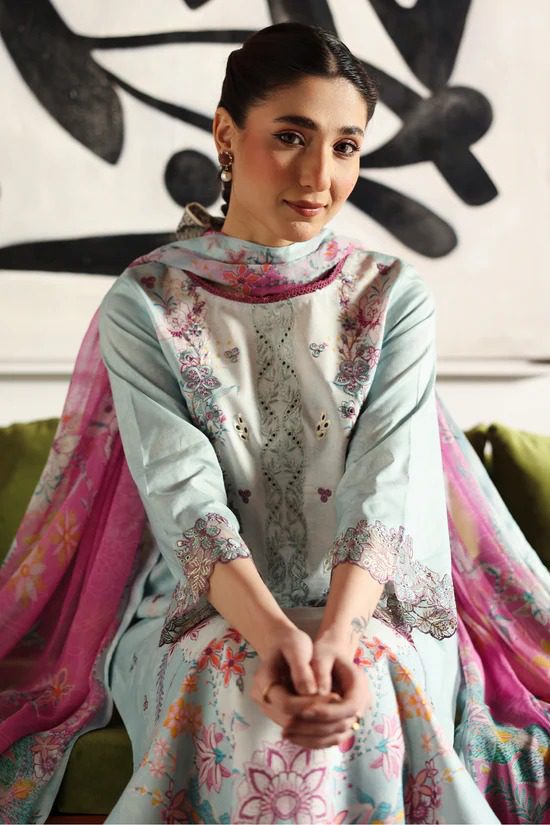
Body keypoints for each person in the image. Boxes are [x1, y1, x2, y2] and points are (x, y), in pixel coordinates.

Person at [0, 22, 548, 825]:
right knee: (237, 685)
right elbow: (184, 500)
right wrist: (274, 637)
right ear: (227, 133)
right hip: (201, 608)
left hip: (376, 604)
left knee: (366, 678)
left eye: (345, 146)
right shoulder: (148, 305)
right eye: (291, 136)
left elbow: (385, 487)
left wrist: (335, 638)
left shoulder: (391, 297)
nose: (320, 176)